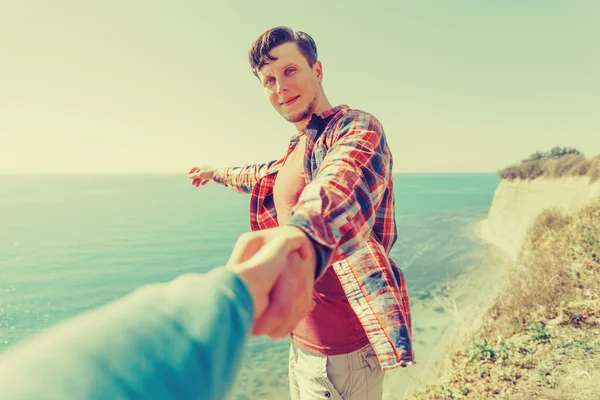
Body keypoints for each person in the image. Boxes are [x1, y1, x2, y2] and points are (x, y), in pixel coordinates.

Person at [189, 26, 415, 399]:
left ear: (318, 69)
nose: (280, 87)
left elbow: (339, 185)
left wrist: (299, 235)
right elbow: (259, 175)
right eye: (269, 80)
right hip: (303, 346)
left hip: (345, 354)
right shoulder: (297, 149)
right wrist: (216, 173)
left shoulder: (356, 128)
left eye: (290, 71)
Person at [0, 229, 316, 400]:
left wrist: (234, 292)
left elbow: (341, 184)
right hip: (300, 345)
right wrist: (231, 295)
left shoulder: (349, 129)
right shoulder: (291, 154)